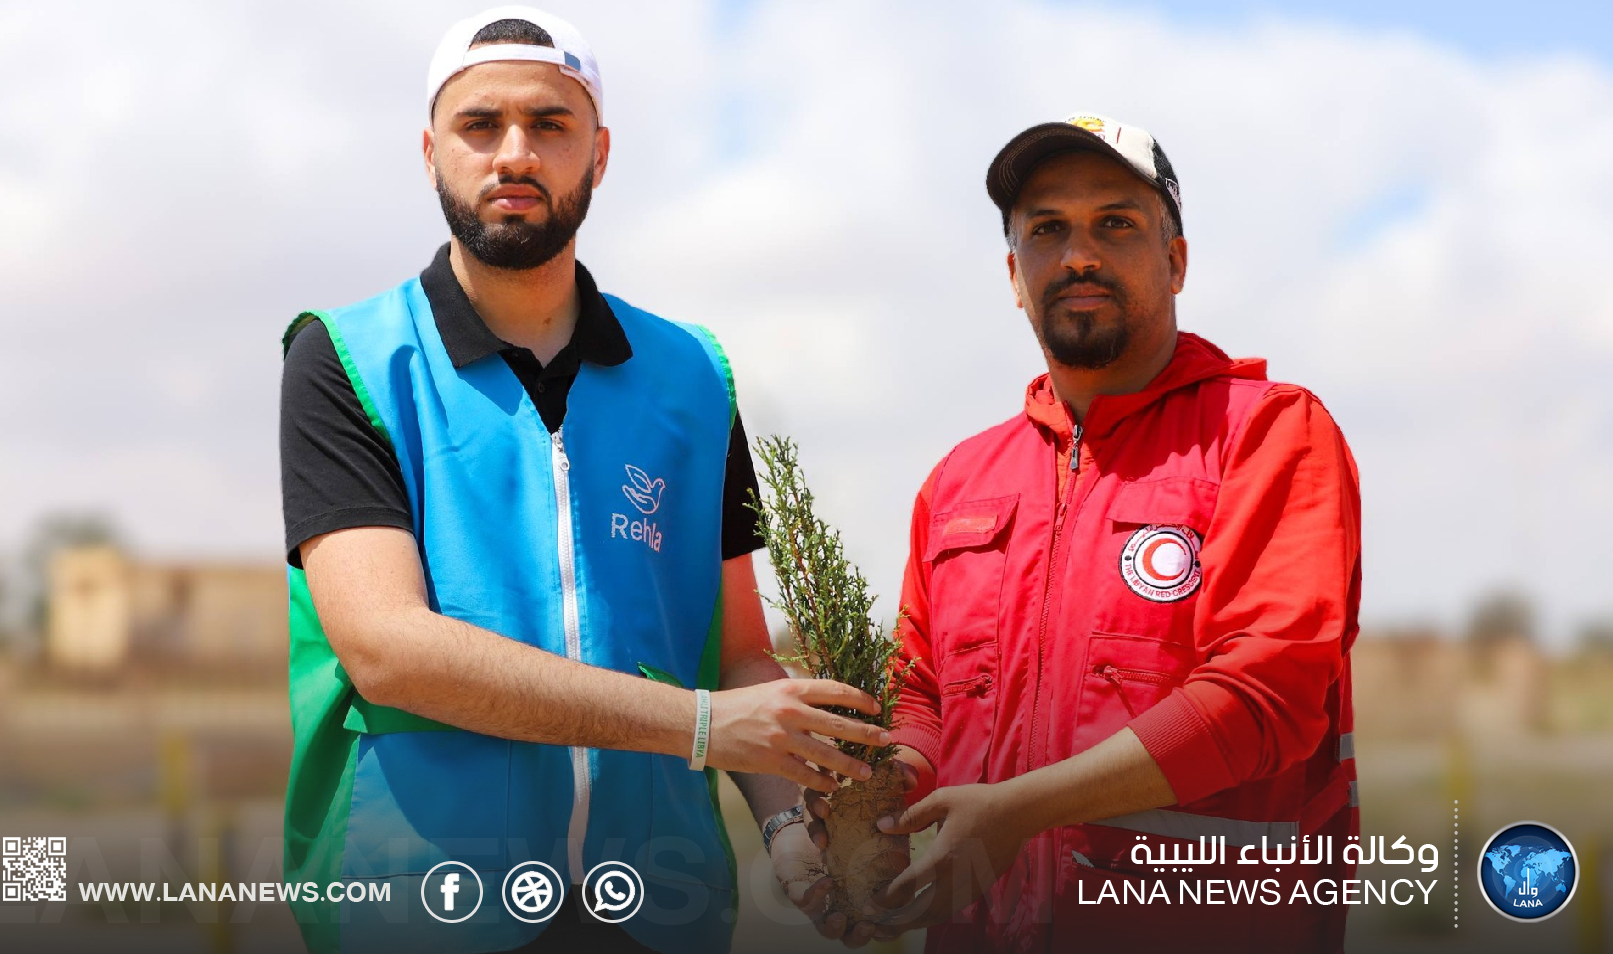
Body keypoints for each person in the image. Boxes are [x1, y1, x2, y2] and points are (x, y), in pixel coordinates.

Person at [277, 8, 887, 954]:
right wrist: (699, 727)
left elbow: (737, 655)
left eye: (549, 124)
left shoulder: (693, 376)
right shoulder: (348, 359)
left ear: (598, 154)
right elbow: (388, 649)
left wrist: (785, 831)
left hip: (652, 905)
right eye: (480, 125)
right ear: (431, 153)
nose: (514, 153)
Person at [804, 113, 1362, 952]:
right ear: (1013, 274)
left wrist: (1018, 810)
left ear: (1175, 262)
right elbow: (924, 697)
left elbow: (1263, 698)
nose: (1077, 256)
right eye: (1046, 230)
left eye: (1115, 223)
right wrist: (884, 789)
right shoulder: (960, 480)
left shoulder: (1267, 433)